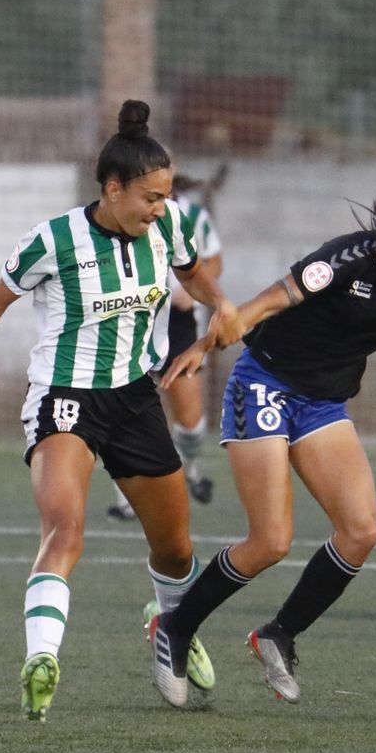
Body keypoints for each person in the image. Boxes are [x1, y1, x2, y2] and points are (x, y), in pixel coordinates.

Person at [0, 100, 238, 721]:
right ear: (112, 189)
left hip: (137, 398)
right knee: (66, 529)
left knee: (176, 548)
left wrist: (220, 305)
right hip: (64, 399)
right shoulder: (54, 239)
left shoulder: (167, 229)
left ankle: (171, 630)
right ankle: (41, 660)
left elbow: (194, 276)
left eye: (165, 197)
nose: (160, 209)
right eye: (150, 197)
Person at [151, 167, 376, 707]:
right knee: (271, 541)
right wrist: (210, 343)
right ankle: (176, 628)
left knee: (361, 530)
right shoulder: (351, 258)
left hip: (323, 402)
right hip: (265, 383)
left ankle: (278, 634)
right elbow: (276, 298)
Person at [107, 165, 227, 520]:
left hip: (178, 325)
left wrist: (195, 292)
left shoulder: (191, 216)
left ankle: (188, 469)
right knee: (127, 413)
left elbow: (213, 262)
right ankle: (127, 497)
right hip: (133, 319)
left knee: (190, 420)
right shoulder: (119, 213)